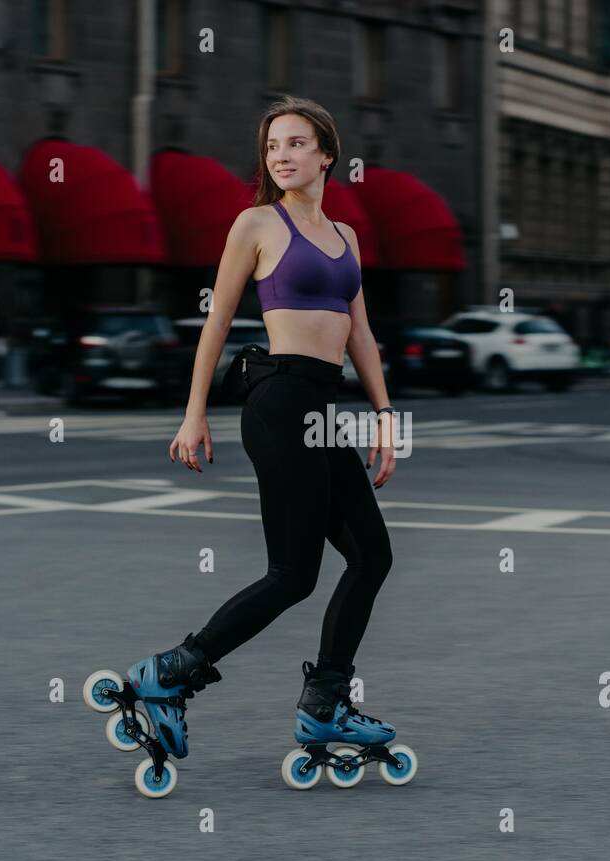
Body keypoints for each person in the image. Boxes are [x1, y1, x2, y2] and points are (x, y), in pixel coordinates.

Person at [89, 96, 407, 796]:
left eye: (296, 144)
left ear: (327, 153)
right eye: (271, 148)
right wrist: (193, 413)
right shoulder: (257, 224)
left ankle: (326, 704)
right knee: (293, 573)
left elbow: (360, 335)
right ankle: (168, 675)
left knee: (373, 556)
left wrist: (386, 416)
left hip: (322, 406)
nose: (282, 156)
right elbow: (218, 321)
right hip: (278, 400)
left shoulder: (347, 238)